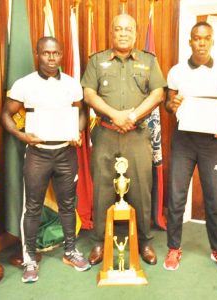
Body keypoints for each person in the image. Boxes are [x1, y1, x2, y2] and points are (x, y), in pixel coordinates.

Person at [0, 37, 91, 283]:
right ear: (37, 54)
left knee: (67, 204)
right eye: (46, 53)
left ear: (61, 55)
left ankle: (71, 250)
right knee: (32, 207)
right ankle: (30, 259)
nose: (51, 58)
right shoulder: (24, 85)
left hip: (65, 153)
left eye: (56, 53)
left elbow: (81, 111)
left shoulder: (72, 84)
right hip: (38, 153)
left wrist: (78, 131)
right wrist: (21, 135)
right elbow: (6, 114)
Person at [81, 14, 166, 266]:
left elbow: (158, 93)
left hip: (137, 134)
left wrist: (132, 115)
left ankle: (145, 240)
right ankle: (98, 241)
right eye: (118, 29)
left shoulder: (148, 61)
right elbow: (88, 94)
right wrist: (115, 115)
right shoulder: (97, 61)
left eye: (128, 29)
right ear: (111, 32)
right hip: (106, 133)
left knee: (141, 189)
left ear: (136, 33)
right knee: (103, 190)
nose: (123, 33)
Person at [163, 21, 217, 273]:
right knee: (176, 196)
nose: (201, 42)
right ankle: (173, 248)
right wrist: (174, 103)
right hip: (184, 141)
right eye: (196, 38)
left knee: (215, 198)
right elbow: (169, 106)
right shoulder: (177, 72)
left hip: (211, 142)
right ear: (190, 41)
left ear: (212, 40)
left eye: (206, 38)